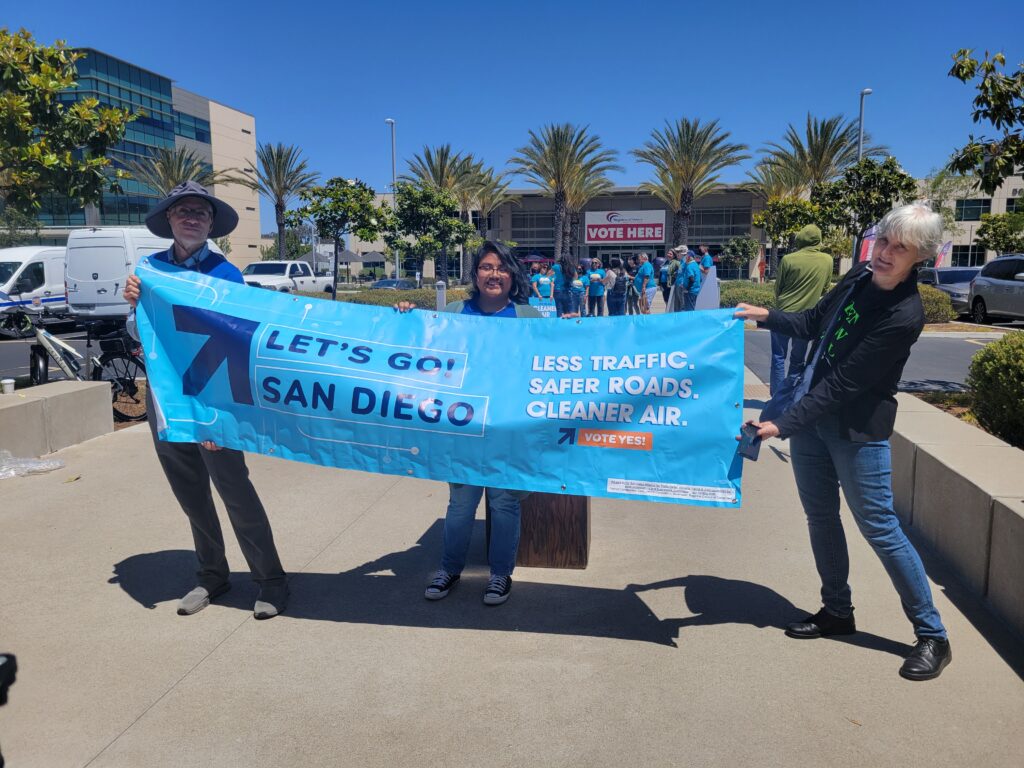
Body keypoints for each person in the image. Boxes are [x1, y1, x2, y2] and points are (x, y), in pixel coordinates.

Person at [734, 203, 952, 681]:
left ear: (920, 258)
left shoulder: (904, 314)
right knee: (820, 516)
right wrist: (764, 314)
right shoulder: (858, 276)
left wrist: (781, 424)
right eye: (884, 240)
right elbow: (813, 322)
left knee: (879, 527)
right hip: (812, 422)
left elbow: (844, 385)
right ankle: (837, 612)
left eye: (901, 248)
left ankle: (932, 635)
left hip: (856, 432)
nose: (886, 253)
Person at [122, 181, 288, 620]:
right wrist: (134, 306)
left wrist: (217, 418)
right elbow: (139, 335)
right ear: (170, 220)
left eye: (200, 212)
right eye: (183, 211)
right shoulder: (150, 270)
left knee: (235, 491)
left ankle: (270, 579)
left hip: (214, 403)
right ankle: (211, 573)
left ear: (211, 223)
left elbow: (237, 344)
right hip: (165, 402)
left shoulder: (226, 275)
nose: (191, 217)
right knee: (191, 493)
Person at [397, 241, 539, 605]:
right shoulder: (457, 312)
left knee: (504, 502)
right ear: (476, 274)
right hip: (463, 426)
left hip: (507, 428)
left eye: (502, 268)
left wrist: (579, 330)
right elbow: (422, 346)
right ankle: (449, 569)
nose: (495, 275)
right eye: (487, 267)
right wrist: (406, 316)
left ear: (512, 275)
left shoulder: (529, 317)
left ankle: (499, 575)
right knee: (461, 503)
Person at [768, 224, 833, 395]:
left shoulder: (789, 259)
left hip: (782, 314)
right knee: (798, 359)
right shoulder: (827, 260)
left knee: (778, 357)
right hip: (806, 319)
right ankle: (790, 395)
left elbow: (778, 288)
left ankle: (776, 395)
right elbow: (825, 288)